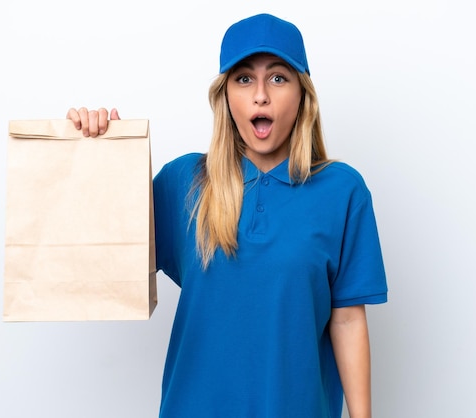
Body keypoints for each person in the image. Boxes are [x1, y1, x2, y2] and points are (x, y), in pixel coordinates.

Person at [67, 13, 388, 418]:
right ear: (225, 97)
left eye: (277, 78)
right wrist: (92, 152)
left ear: (302, 95)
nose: (260, 96)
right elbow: (102, 256)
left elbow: (347, 321)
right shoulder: (183, 182)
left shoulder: (343, 191)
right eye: (243, 79)